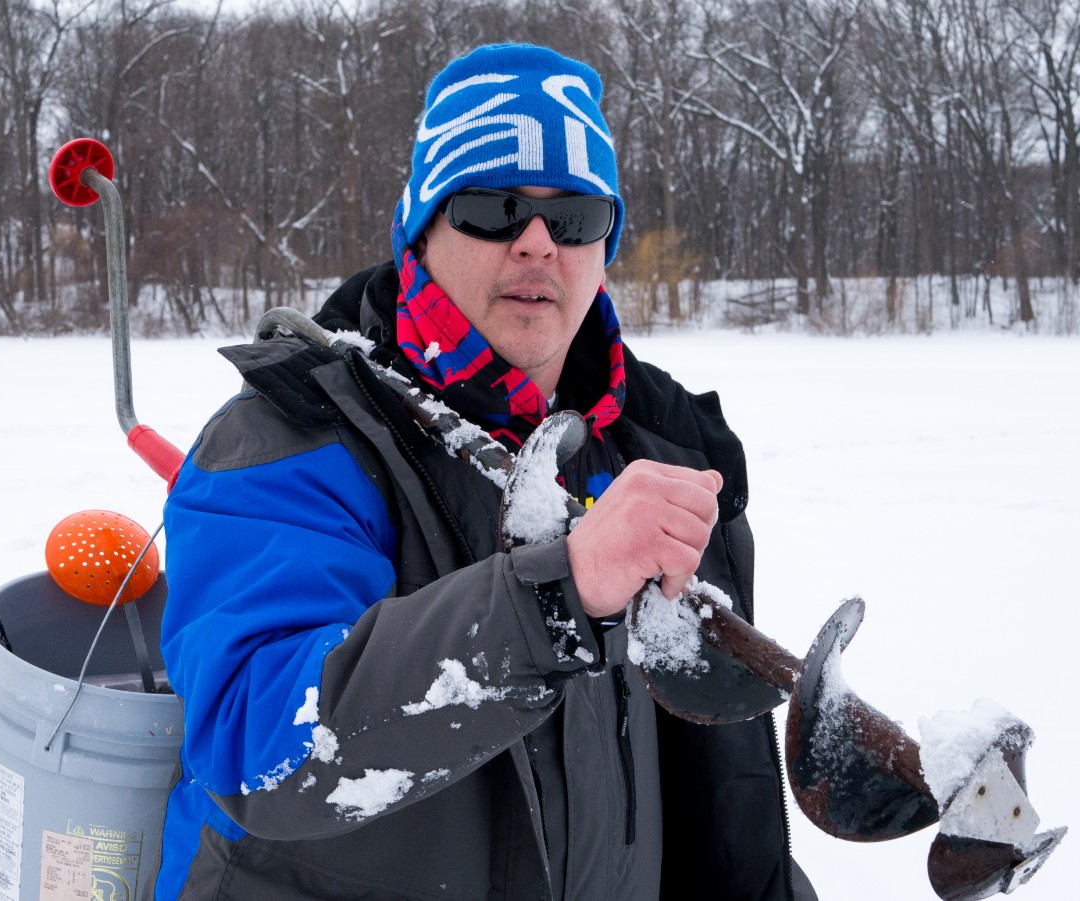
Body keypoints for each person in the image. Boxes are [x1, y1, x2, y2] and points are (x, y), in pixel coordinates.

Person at [151, 43, 817, 901]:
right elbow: (257, 744)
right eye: (494, 207)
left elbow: (719, 808)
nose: (538, 242)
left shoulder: (662, 446)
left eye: (574, 217)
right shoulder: (290, 440)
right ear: (422, 233)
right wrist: (555, 595)